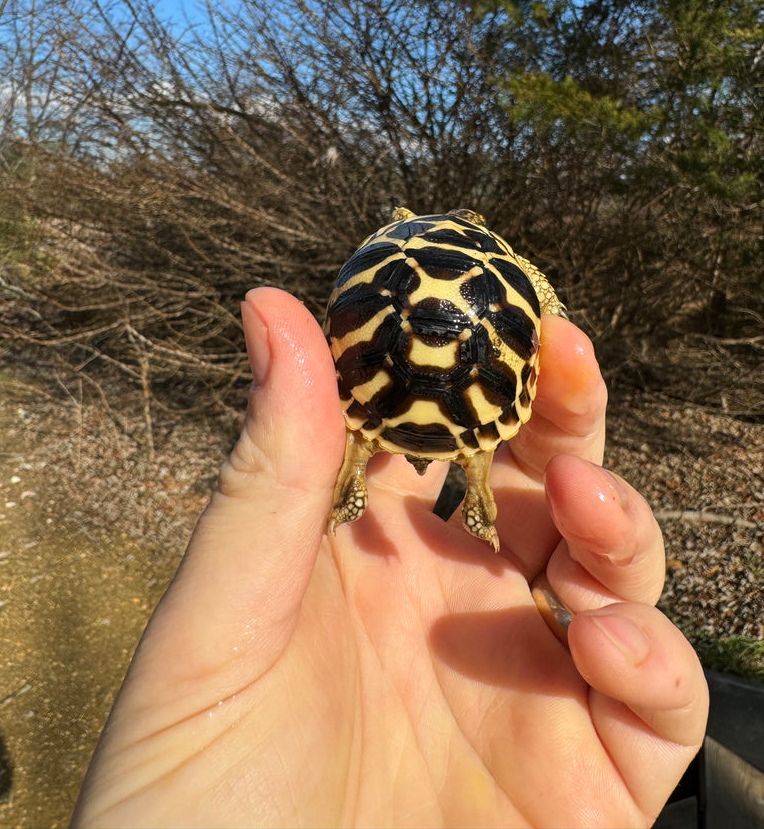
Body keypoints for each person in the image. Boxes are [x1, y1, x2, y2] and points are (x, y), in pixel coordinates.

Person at [72, 287, 708, 828]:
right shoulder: (505, 274)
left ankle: (365, 472)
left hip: (375, 399)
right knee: (491, 453)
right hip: (477, 410)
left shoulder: (391, 248)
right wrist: (542, 298)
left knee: (368, 439)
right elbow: (534, 306)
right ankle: (473, 478)